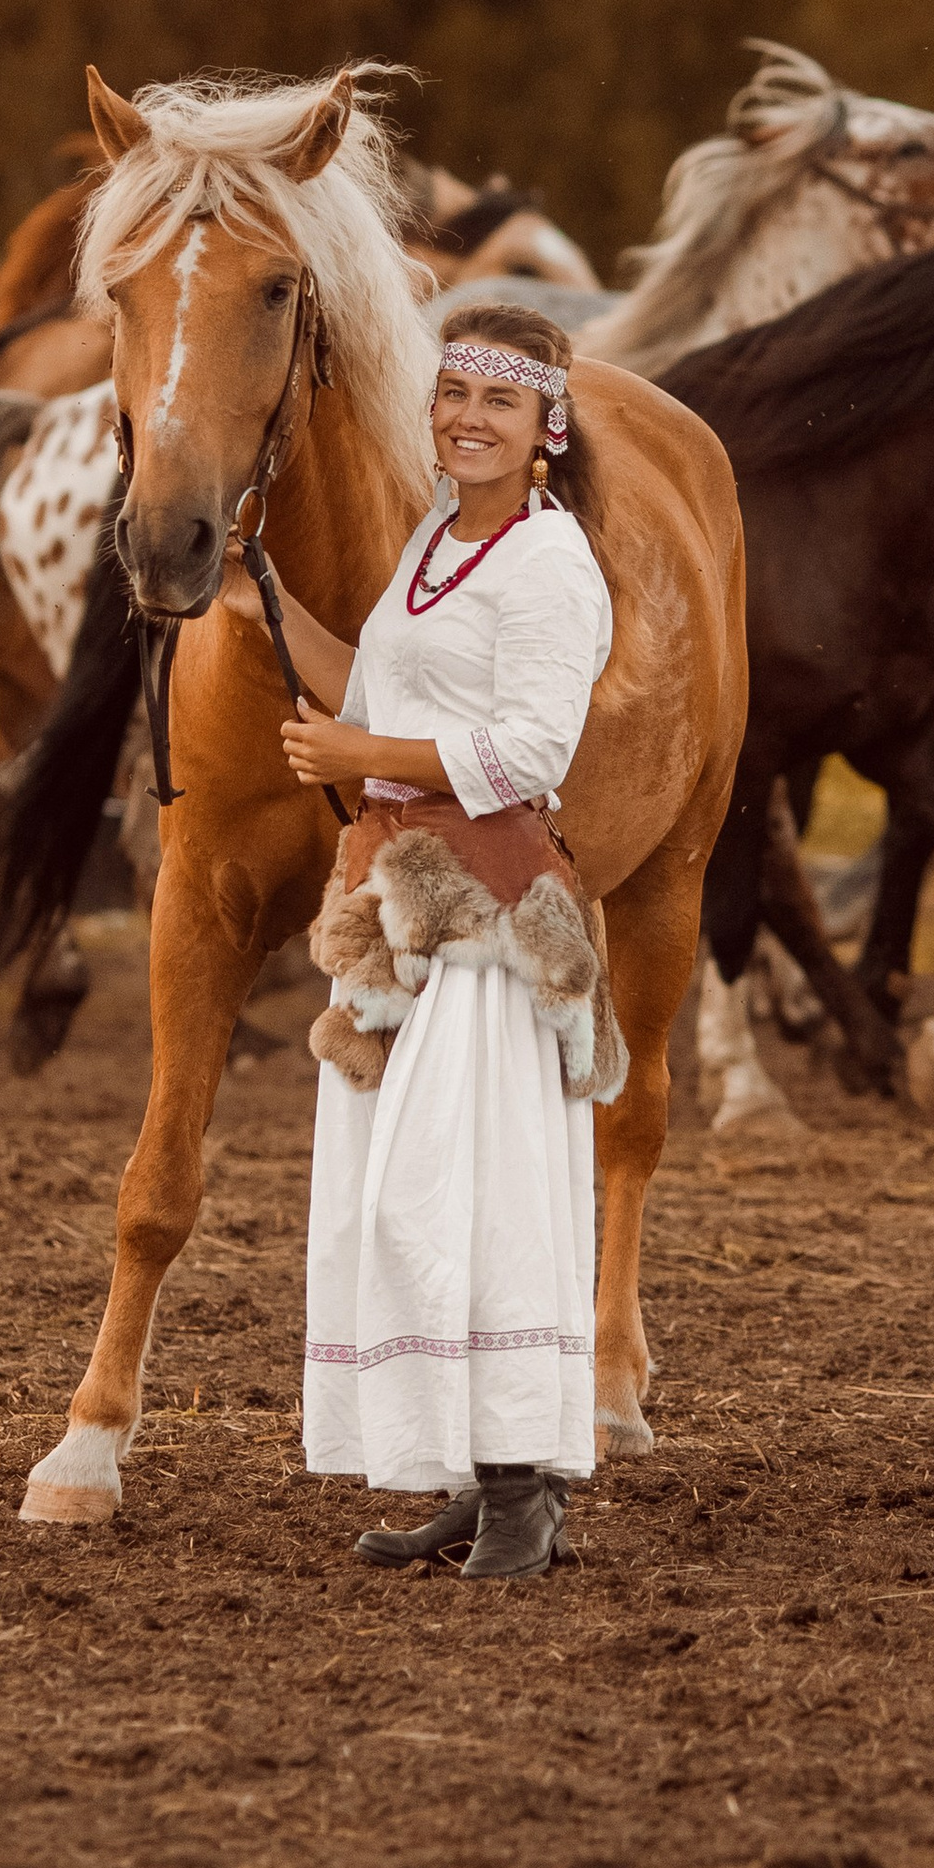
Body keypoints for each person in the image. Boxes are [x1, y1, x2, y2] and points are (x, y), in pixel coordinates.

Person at [223, 298, 616, 1582]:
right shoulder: (436, 541)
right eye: (454, 394)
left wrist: (361, 757)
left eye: (500, 401)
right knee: (395, 1198)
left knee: (464, 1195)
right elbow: (378, 689)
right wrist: (263, 599)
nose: (468, 418)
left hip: (492, 915)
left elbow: (532, 754)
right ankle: (466, 1473)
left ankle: (523, 1492)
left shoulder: (550, 566)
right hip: (403, 904)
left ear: (546, 429)